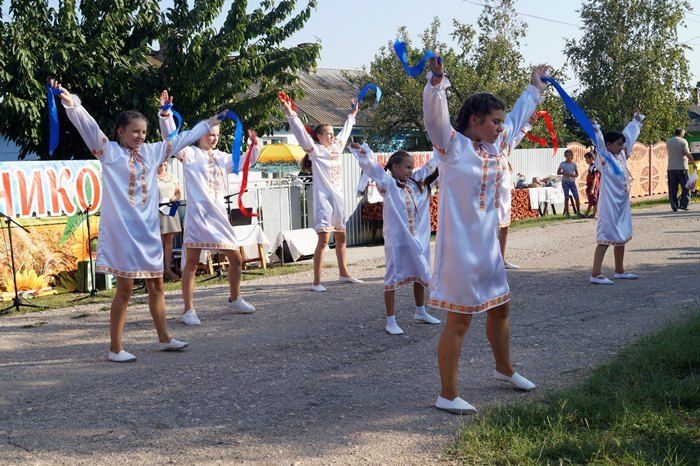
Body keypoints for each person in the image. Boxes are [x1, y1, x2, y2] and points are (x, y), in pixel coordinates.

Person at [50, 80, 225, 363]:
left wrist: (208, 123)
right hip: (123, 232)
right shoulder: (109, 152)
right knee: (126, 289)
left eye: (144, 132)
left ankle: (164, 338)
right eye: (134, 132)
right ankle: (115, 348)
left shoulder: (153, 152)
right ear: (120, 132)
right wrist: (72, 103)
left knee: (157, 285)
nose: (140, 137)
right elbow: (89, 127)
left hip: (148, 230)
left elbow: (181, 139)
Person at [423, 58, 545, 414]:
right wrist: (436, 83)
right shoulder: (451, 146)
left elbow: (519, 118)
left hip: (488, 249)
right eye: (494, 121)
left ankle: (504, 369)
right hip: (461, 252)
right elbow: (435, 117)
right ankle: (447, 393)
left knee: (500, 308)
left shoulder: (494, 146)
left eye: (500, 121)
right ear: (474, 120)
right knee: (459, 320)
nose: (500, 127)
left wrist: (535, 86)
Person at [158, 91, 261, 326]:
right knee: (191, 264)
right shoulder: (190, 154)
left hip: (218, 217)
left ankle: (234, 297)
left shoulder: (223, 157)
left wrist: (254, 146)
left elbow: (245, 162)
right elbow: (172, 141)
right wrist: (165, 115)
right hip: (198, 217)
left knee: (235, 259)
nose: (212, 138)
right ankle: (188, 310)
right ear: (199, 136)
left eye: (215, 135)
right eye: (208, 134)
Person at [349, 143, 441, 335]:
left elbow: (433, 165)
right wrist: (362, 152)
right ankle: (390, 320)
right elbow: (372, 167)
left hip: (419, 239)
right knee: (392, 276)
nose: (411, 170)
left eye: (412, 167)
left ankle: (420, 311)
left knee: (421, 272)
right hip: (397, 240)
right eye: (407, 166)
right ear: (395, 167)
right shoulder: (388, 185)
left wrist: (446, 147)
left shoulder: (418, 184)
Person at [280, 96, 363, 292]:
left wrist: (352, 114)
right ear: (319, 137)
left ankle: (344, 274)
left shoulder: (337, 147)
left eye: (333, 134)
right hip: (323, 200)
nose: (333, 137)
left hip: (339, 199)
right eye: (329, 134)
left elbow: (346, 130)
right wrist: (290, 113)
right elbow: (300, 132)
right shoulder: (315, 151)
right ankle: (316, 282)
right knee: (324, 240)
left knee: (342, 238)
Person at [589, 113, 645, 285]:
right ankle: (596, 273)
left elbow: (629, 136)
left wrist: (635, 121)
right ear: (608, 145)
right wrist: (595, 127)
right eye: (618, 144)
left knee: (621, 235)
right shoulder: (604, 158)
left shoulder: (620, 156)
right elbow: (598, 142)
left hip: (622, 204)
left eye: (622, 144)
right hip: (609, 204)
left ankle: (619, 270)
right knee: (606, 236)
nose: (622, 147)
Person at [498, 113, 535, 270]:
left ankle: (502, 259)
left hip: (505, 191)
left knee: (505, 226)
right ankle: (489, 262)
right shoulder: (486, 147)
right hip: (491, 194)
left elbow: (518, 137)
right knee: (492, 228)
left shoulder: (506, 148)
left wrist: (528, 123)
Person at [157, 161, 182, 281]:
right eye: (160, 162)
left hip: (171, 209)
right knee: (159, 240)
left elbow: (178, 192)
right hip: (157, 210)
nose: (162, 164)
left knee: (169, 240)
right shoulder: (151, 177)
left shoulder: (172, 177)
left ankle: (168, 269)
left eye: (165, 162)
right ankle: (159, 270)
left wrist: (175, 197)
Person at [665, 128, 693, 212]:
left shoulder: (668, 141)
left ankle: (674, 206)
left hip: (671, 168)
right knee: (687, 186)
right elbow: (687, 153)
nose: (684, 135)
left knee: (673, 188)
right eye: (683, 133)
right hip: (682, 167)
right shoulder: (683, 141)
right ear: (681, 133)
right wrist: (694, 163)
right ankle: (683, 205)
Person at [557, 149, 584, 218]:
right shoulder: (562, 164)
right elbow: (558, 172)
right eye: (567, 155)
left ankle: (578, 212)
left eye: (570, 155)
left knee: (576, 197)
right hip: (565, 182)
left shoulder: (574, 165)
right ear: (564, 156)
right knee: (566, 197)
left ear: (572, 156)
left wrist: (573, 175)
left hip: (572, 182)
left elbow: (577, 174)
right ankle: (567, 213)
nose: (568, 157)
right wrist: (564, 173)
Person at [583, 151, 600, 218]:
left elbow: (594, 178)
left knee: (594, 199)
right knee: (591, 199)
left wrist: (592, 188)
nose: (585, 160)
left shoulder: (594, 167)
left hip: (594, 185)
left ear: (591, 158)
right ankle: (587, 214)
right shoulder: (591, 166)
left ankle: (595, 214)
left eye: (586, 158)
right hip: (590, 184)